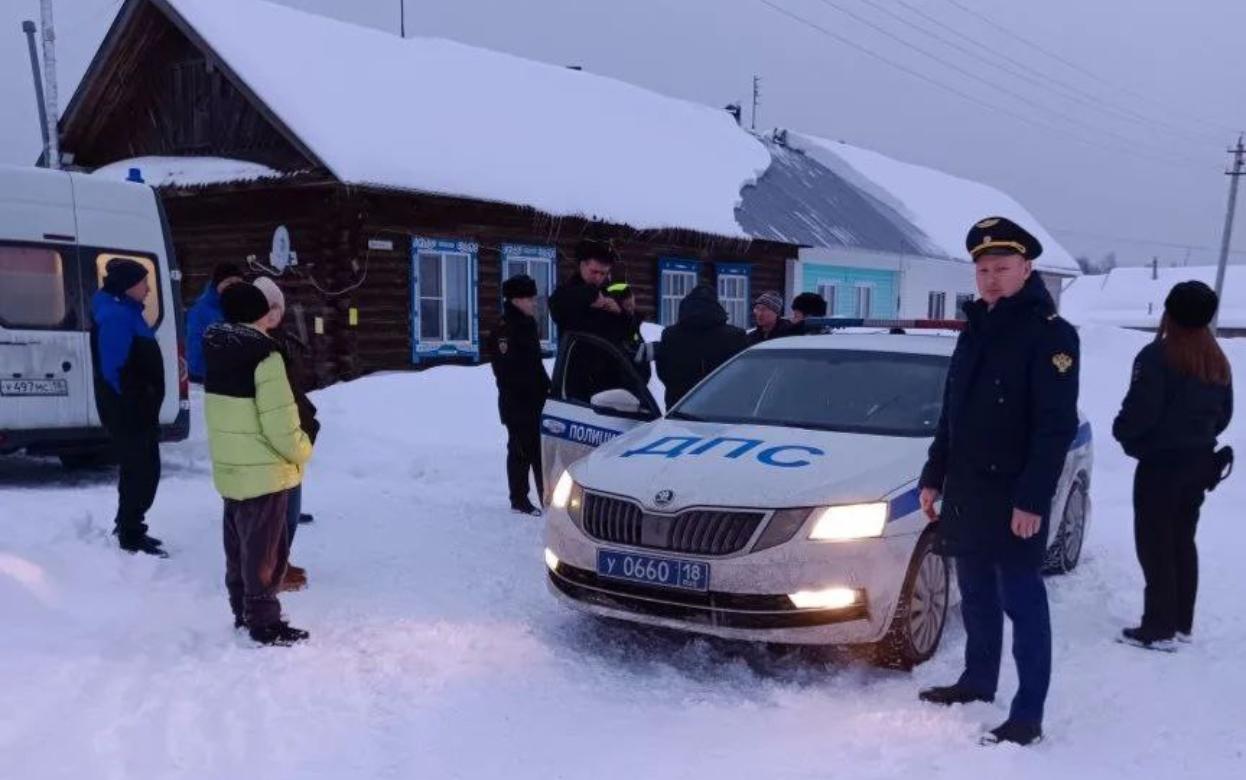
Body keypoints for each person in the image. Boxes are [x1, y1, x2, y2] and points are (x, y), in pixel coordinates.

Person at [916, 216, 1080, 747]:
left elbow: (1054, 427)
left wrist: (1033, 498)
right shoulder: (976, 328)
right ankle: (977, 681)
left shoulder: (1051, 336)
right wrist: (933, 473)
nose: (990, 278)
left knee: (1023, 602)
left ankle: (1027, 714)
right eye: (982, 269)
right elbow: (951, 413)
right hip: (967, 489)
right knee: (977, 593)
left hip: (1014, 496)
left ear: (1026, 268)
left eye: (1002, 268)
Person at [1112, 280, 1233, 650]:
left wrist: (1124, 433)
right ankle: (1181, 623)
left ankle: (1158, 627)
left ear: (1170, 313)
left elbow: (1140, 413)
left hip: (1161, 466)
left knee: (1154, 544)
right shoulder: (1217, 360)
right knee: (1182, 540)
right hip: (1199, 465)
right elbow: (1224, 416)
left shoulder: (1156, 357)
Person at [204, 282, 314, 646]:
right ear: (258, 313)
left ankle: (242, 610)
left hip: (233, 468)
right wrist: (303, 448)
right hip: (264, 472)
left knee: (238, 550)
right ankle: (265, 622)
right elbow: (279, 422)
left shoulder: (217, 349)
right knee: (265, 551)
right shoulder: (265, 357)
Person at [90, 258, 167, 557]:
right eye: (144, 283)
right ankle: (131, 533)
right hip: (129, 411)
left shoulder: (126, 311)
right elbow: (114, 369)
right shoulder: (116, 316)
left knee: (142, 469)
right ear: (128, 285)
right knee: (141, 471)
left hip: (136, 410)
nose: (148, 289)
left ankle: (130, 524)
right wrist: (141, 397)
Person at [253, 276, 319, 592]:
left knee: (290, 508)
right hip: (276, 438)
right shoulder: (259, 349)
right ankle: (271, 570)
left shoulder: (283, 342)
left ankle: (281, 561)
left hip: (292, 432)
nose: (274, 314)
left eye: (278, 307)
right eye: (269, 308)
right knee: (278, 510)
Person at [489, 274, 552, 515]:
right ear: (516, 300)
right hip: (516, 403)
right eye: (529, 298)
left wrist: (548, 388)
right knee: (520, 451)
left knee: (537, 451)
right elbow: (507, 372)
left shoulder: (527, 324)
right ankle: (519, 499)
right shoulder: (504, 329)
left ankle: (545, 498)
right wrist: (529, 393)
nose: (533, 303)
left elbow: (535, 365)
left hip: (535, 401)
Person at [549, 239, 625, 399]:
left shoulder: (609, 293)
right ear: (582, 266)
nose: (598, 277)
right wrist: (590, 295)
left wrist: (619, 311)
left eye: (603, 273)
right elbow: (556, 304)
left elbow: (626, 330)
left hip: (608, 382)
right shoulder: (568, 292)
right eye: (594, 271)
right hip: (576, 382)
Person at [655, 285, 747, 409]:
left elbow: (663, 372)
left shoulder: (669, 334)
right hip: (724, 410)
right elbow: (743, 375)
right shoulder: (735, 336)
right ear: (715, 304)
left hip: (679, 407)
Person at [186, 262, 244, 383]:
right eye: (229, 282)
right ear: (218, 284)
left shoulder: (241, 307)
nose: (234, 286)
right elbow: (194, 346)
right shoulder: (201, 310)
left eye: (238, 282)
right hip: (206, 379)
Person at [604, 281, 650, 381]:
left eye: (631, 299)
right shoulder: (612, 328)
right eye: (627, 306)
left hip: (638, 387)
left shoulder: (634, 324)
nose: (631, 308)